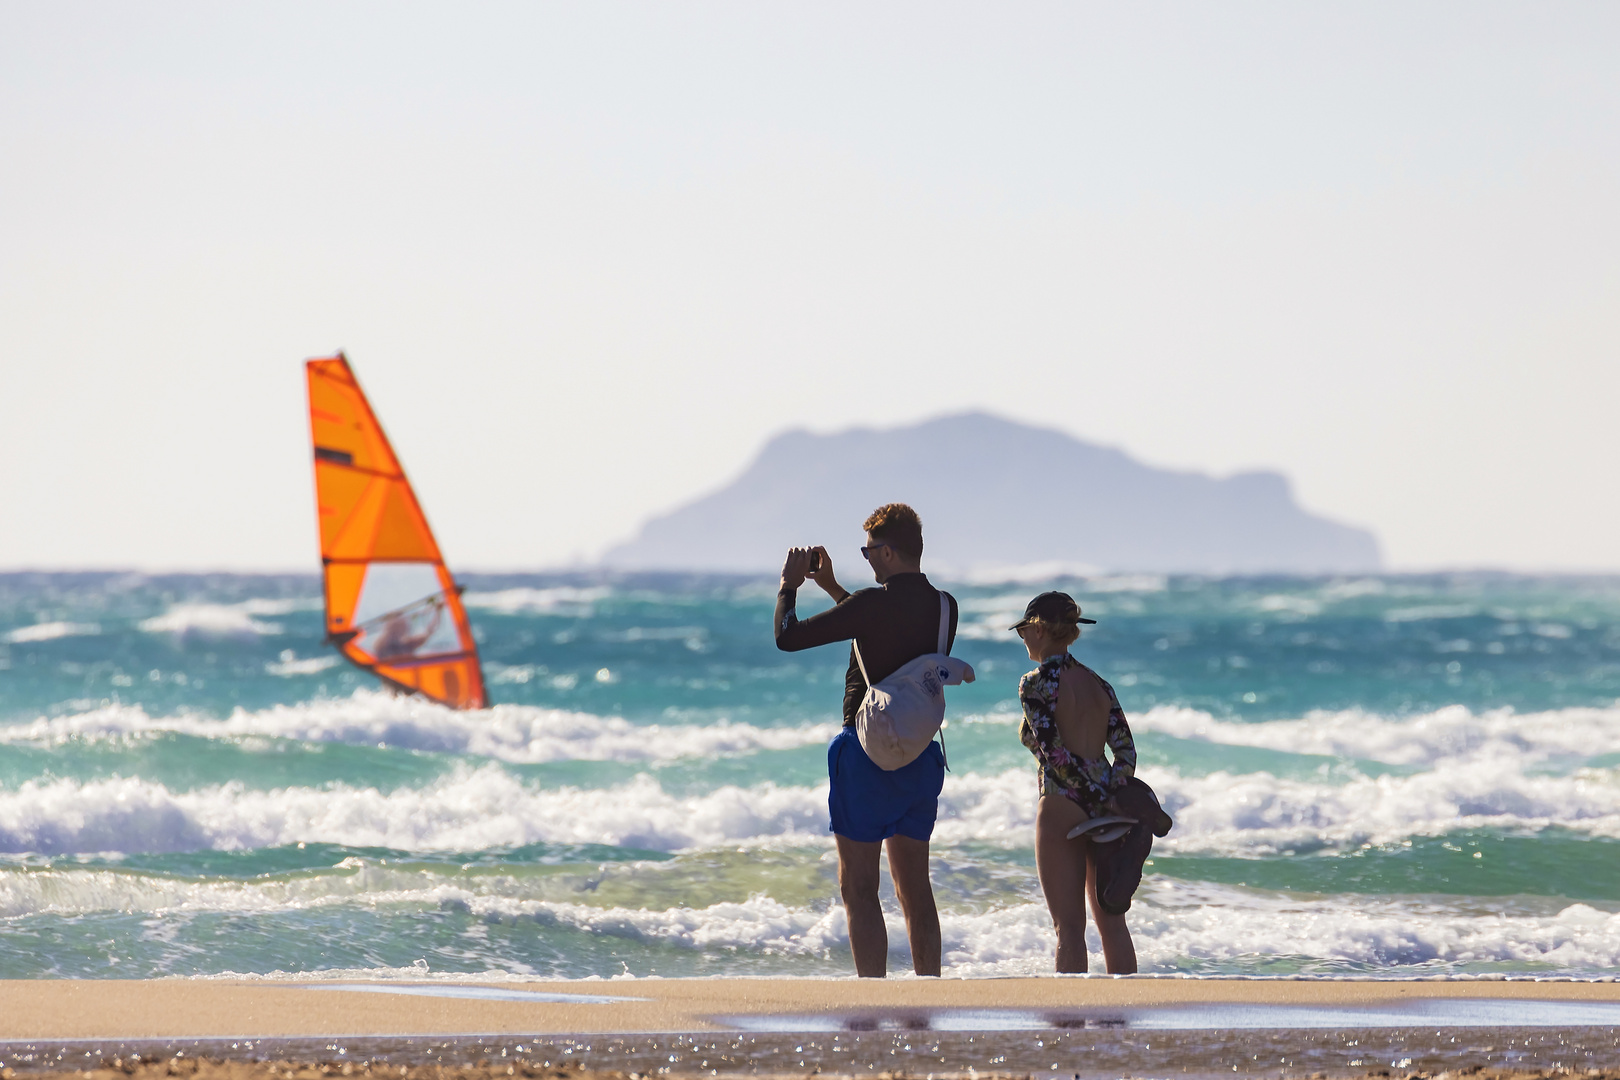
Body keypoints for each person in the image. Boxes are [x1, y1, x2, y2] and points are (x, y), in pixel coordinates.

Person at [774, 503, 958, 978]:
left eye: (871, 550)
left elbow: (788, 638)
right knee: (915, 887)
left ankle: (873, 998)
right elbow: (882, 633)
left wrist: (789, 586)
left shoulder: (870, 605)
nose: (868, 559)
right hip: (920, 754)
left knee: (858, 888)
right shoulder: (944, 606)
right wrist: (835, 589)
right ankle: (928, 993)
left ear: (891, 552)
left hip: (866, 755)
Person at [1012, 590, 1139, 974]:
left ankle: (1070, 1027)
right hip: (1105, 807)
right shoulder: (1099, 684)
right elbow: (1126, 752)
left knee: (1068, 928)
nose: (1022, 639)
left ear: (1039, 629)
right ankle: (1125, 1015)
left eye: (1023, 631)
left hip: (1061, 803)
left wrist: (1081, 792)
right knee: (1111, 922)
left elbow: (1054, 754)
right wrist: (1107, 792)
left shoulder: (1034, 683)